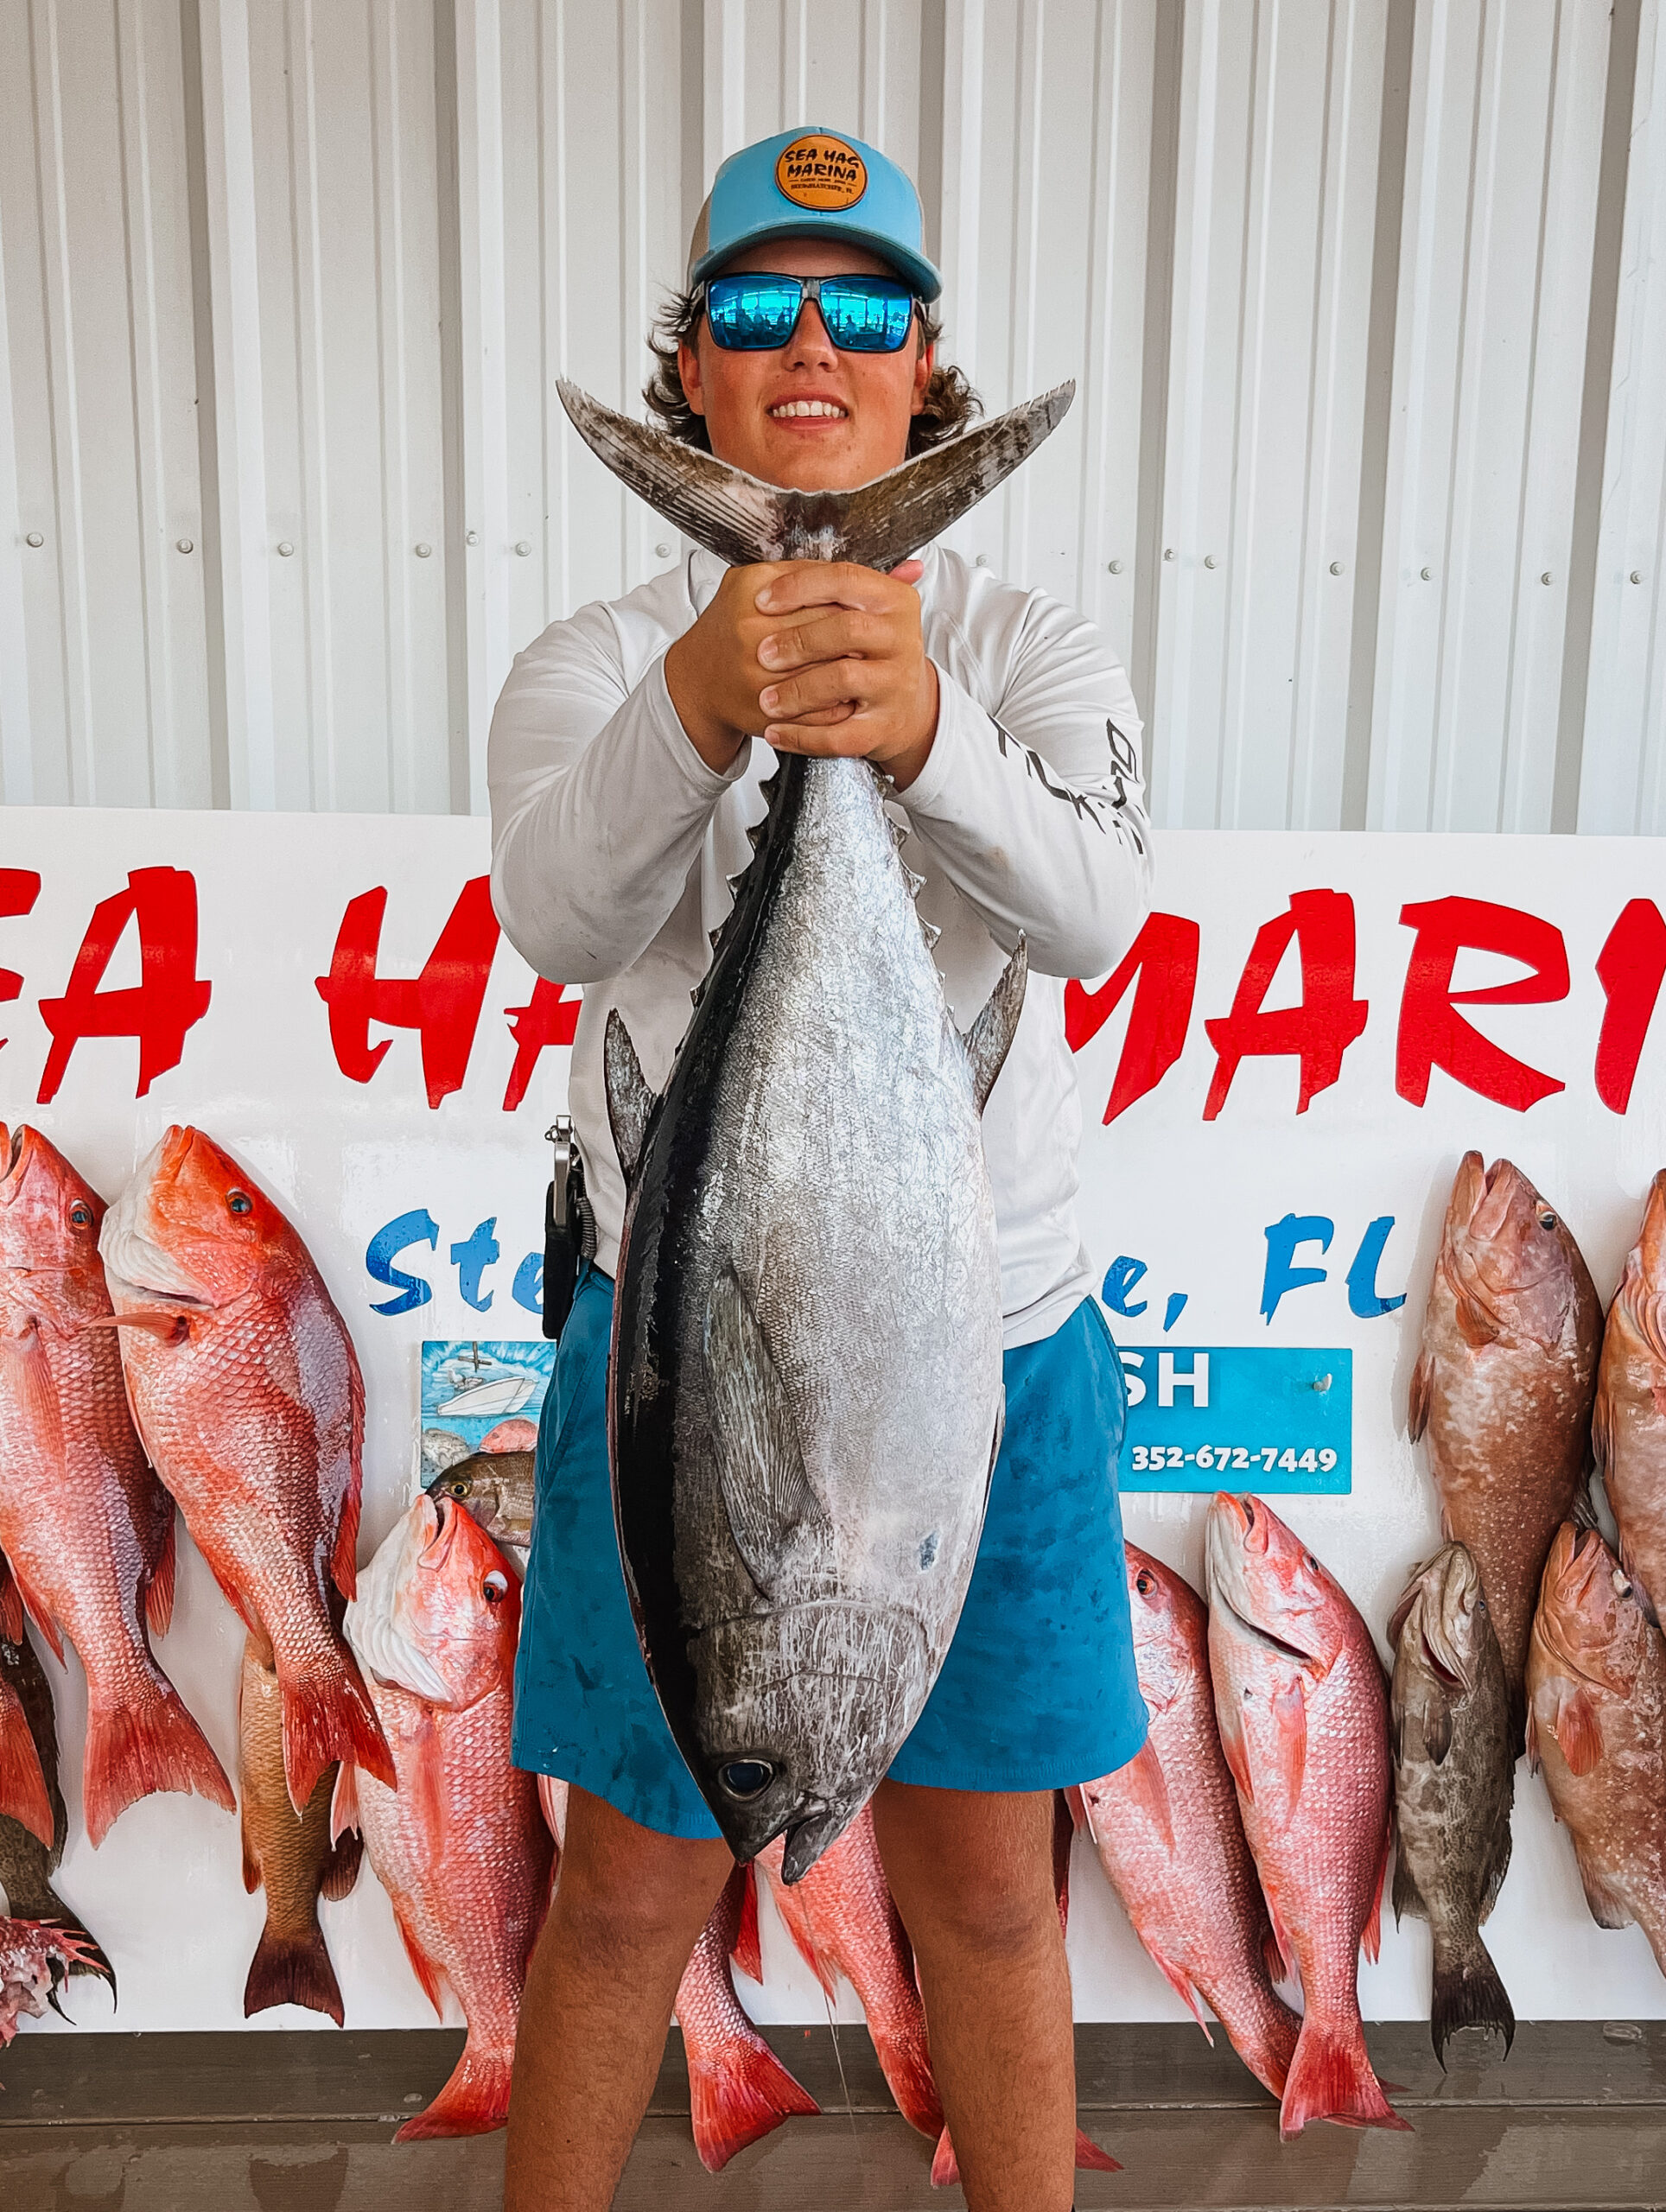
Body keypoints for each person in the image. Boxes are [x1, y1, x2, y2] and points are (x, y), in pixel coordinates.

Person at [489, 124, 1153, 2212]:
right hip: (684, 1352)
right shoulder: (592, 661)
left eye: (861, 307)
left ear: (923, 367)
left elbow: (1093, 915)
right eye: (759, 305)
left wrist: (925, 727)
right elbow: (560, 918)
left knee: (994, 1894)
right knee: (624, 1893)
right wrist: (709, 698)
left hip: (992, 1350)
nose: (810, 344)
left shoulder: (1033, 649)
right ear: (690, 363)